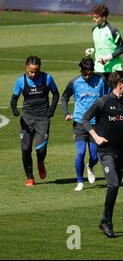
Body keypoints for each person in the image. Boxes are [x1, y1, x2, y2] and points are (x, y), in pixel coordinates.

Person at [82, 70, 123, 238]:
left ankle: (104, 220)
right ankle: (107, 222)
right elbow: (85, 119)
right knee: (113, 184)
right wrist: (95, 137)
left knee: (115, 187)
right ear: (119, 85)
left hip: (122, 150)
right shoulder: (103, 101)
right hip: (105, 151)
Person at [10, 56, 60, 187]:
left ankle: (40, 163)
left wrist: (51, 111)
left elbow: (56, 94)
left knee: (41, 150)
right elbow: (13, 99)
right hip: (27, 119)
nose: (33, 74)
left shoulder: (47, 78)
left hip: (43, 118)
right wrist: (14, 109)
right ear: (26, 67)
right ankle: (30, 177)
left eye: (36, 71)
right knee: (25, 149)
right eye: (31, 71)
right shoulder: (20, 81)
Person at [61, 57, 107, 191]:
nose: (87, 75)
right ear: (81, 70)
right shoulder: (74, 82)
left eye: (90, 73)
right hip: (80, 123)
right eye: (85, 73)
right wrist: (66, 113)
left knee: (94, 156)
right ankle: (80, 181)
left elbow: (107, 98)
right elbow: (64, 97)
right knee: (80, 153)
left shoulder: (102, 81)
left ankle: (90, 166)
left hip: (96, 125)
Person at [85, 4, 123, 88]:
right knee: (100, 95)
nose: (94, 19)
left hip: (113, 69)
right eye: (93, 17)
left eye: (96, 17)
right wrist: (92, 50)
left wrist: (108, 57)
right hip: (99, 68)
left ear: (104, 18)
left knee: (114, 96)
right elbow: (100, 45)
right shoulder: (94, 30)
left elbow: (122, 48)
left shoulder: (113, 30)